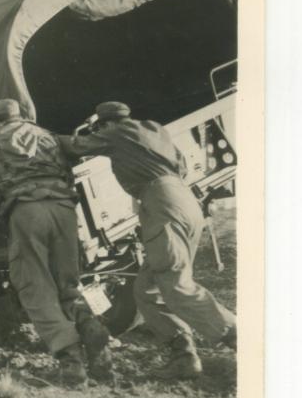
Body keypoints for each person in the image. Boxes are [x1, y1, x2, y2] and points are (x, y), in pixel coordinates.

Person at [61, 101, 236, 380]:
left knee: (176, 285)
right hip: (184, 199)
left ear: (105, 124)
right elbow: (181, 164)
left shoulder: (116, 133)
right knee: (147, 289)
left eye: (100, 128)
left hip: (160, 204)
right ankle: (183, 355)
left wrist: (39, 139)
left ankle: (238, 337)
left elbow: (75, 146)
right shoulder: (155, 129)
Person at [0, 98, 112, 387]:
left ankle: (70, 360)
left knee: (34, 286)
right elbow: (76, 152)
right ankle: (89, 325)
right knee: (68, 284)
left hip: (26, 210)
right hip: (63, 209)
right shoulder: (48, 135)